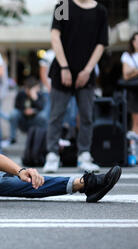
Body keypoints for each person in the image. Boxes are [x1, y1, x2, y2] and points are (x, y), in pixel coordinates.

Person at [44, 0, 108, 174]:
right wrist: (64, 67)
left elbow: (101, 44)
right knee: (56, 115)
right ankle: (52, 154)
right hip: (61, 71)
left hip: (86, 73)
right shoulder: (62, 6)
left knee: (87, 116)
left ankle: (84, 155)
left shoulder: (100, 11)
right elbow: (54, 36)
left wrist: (88, 70)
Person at [6, 77, 48, 142]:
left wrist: (35, 99)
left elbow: (41, 107)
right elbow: (16, 106)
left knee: (43, 116)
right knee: (13, 114)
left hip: (35, 118)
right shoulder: (21, 94)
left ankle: (43, 139)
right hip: (23, 118)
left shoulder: (39, 94)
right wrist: (24, 111)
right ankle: (12, 138)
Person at [121, 32, 138, 137]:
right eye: (136, 40)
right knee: (135, 120)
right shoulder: (127, 55)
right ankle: (134, 148)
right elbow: (126, 75)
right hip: (134, 91)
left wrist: (134, 70)